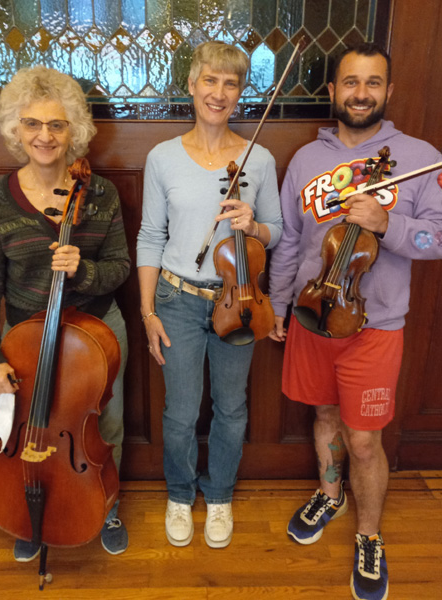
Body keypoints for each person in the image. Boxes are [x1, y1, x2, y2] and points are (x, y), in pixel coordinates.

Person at [268, 42, 442, 600]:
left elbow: (437, 238)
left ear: (388, 92)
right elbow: (292, 242)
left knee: (364, 440)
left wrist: (386, 223)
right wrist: (276, 304)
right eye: (350, 82)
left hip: (375, 325)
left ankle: (369, 536)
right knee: (322, 415)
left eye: (372, 83)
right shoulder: (305, 161)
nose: (360, 93)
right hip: (314, 315)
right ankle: (330, 492)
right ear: (333, 90)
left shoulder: (418, 155)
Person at [0, 66, 131, 560]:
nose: (45, 136)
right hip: (25, 334)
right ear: (16, 130)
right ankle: (28, 507)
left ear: (74, 131)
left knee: (102, 426)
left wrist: (82, 273)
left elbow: (120, 266)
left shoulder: (99, 195)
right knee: (31, 429)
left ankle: (106, 503)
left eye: (57, 125)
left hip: (96, 328)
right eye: (33, 124)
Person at [137, 41, 282, 549]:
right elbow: (151, 237)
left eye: (231, 83)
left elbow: (278, 231)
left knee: (232, 406)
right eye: (210, 81)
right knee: (179, 411)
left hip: (239, 298)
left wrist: (254, 225)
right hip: (177, 299)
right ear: (193, 84)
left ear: (241, 92)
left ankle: (218, 494)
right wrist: (148, 310)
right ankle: (180, 492)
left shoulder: (258, 158)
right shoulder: (162, 158)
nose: (219, 93)